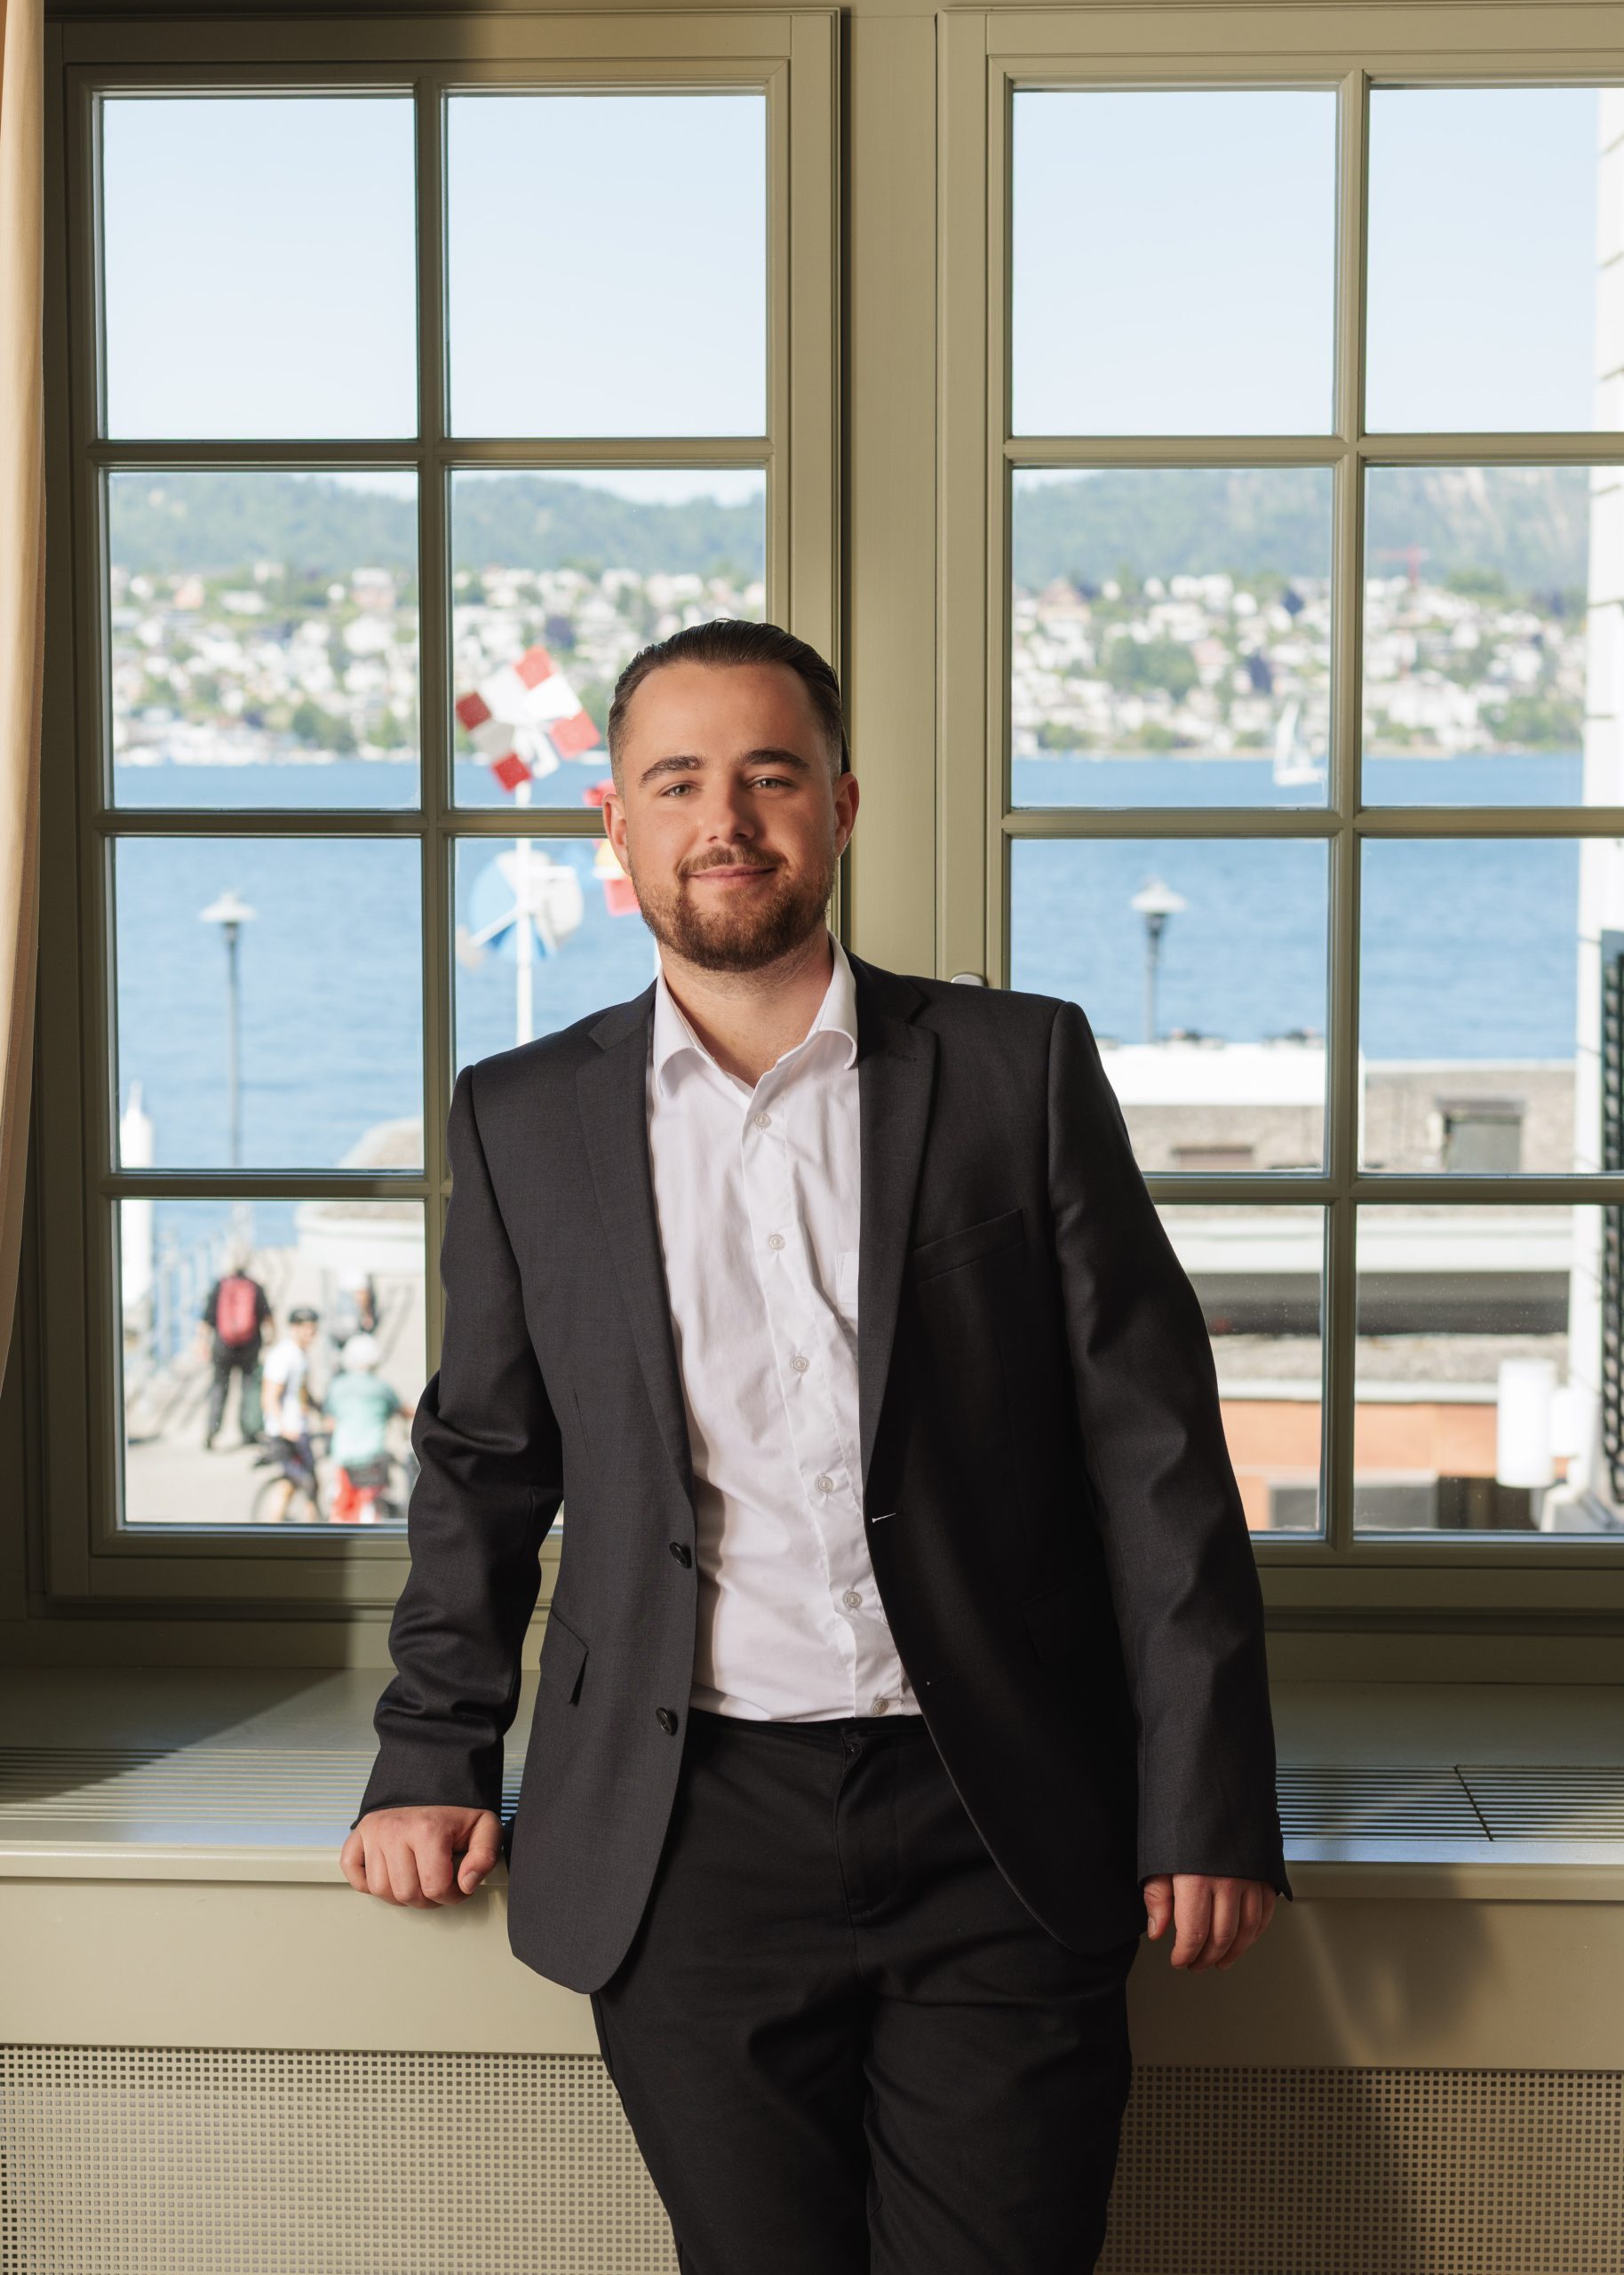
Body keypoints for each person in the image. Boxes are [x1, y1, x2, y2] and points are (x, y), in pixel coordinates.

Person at [342, 619, 1290, 2274]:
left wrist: (1204, 1798)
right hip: (681, 1831)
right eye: (679, 782)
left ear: (839, 805)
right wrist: (433, 1754)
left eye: (770, 775)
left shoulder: (1017, 1069)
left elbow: (1156, 1459)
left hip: (992, 1810)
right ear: (614, 828)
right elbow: (484, 1457)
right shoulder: (518, 1118)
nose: (728, 818)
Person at [322, 1333, 414, 1524]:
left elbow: (329, 1422)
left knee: (343, 1505)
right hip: (373, 1456)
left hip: (344, 1455)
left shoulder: (337, 1386)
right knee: (371, 1504)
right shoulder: (381, 1387)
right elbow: (401, 1410)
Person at [196, 1250, 270, 1448]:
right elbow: (268, 1317)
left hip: (223, 1347)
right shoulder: (255, 1286)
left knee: (219, 1388)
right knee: (248, 1390)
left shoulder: (220, 1286)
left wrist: (202, 1343)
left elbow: (207, 1319)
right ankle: (248, 1432)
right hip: (250, 1346)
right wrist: (272, 1341)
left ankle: (212, 1431)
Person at [259, 1305, 322, 1522]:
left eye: (313, 1329)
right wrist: (283, 1427)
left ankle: (289, 1527)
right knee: (302, 1482)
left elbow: (301, 1391)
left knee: (297, 1483)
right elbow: (269, 1396)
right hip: (286, 1432)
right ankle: (284, 1529)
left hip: (297, 1428)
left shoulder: (299, 1354)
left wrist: (320, 1409)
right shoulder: (284, 1355)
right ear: (294, 1328)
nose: (310, 1333)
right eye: (306, 1328)